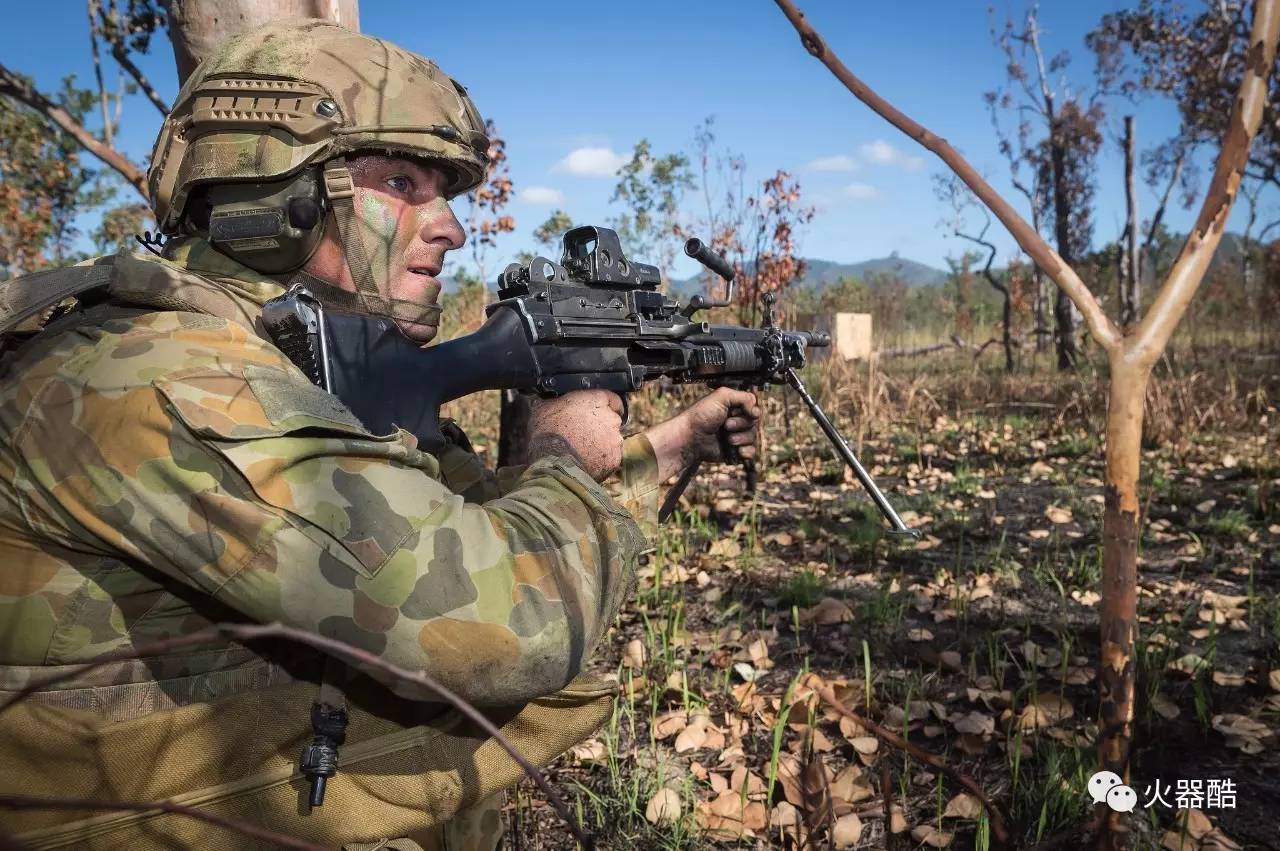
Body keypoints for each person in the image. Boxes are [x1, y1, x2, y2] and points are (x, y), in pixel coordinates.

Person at [0, 20, 759, 851]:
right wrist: (561, 445)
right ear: (278, 193)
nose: (452, 228)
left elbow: (454, 527)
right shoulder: (167, 375)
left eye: (445, 192)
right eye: (401, 182)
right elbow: (502, 623)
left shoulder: (280, 354)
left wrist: (669, 445)